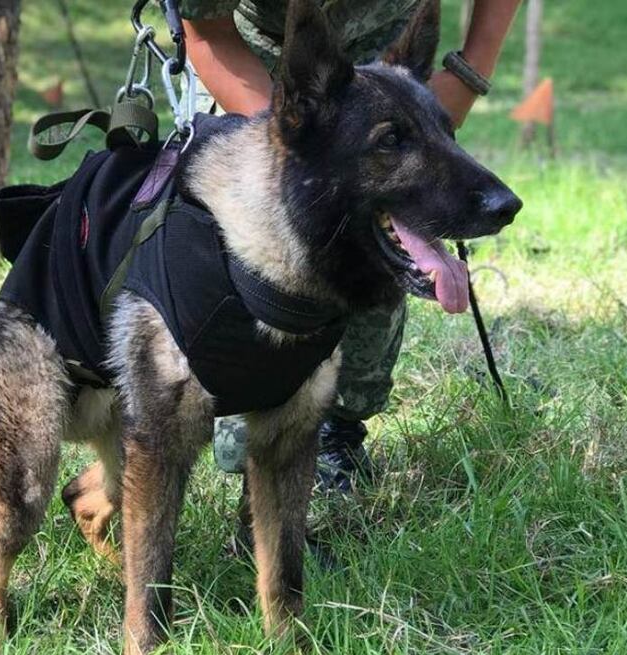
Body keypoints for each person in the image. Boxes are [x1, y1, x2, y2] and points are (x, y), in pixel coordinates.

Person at [180, 0, 521, 501]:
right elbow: (207, 34)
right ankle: (243, 429)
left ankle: (333, 433)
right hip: (254, 58)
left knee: (375, 243)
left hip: (391, 49)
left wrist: (468, 74)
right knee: (255, 274)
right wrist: (292, 139)